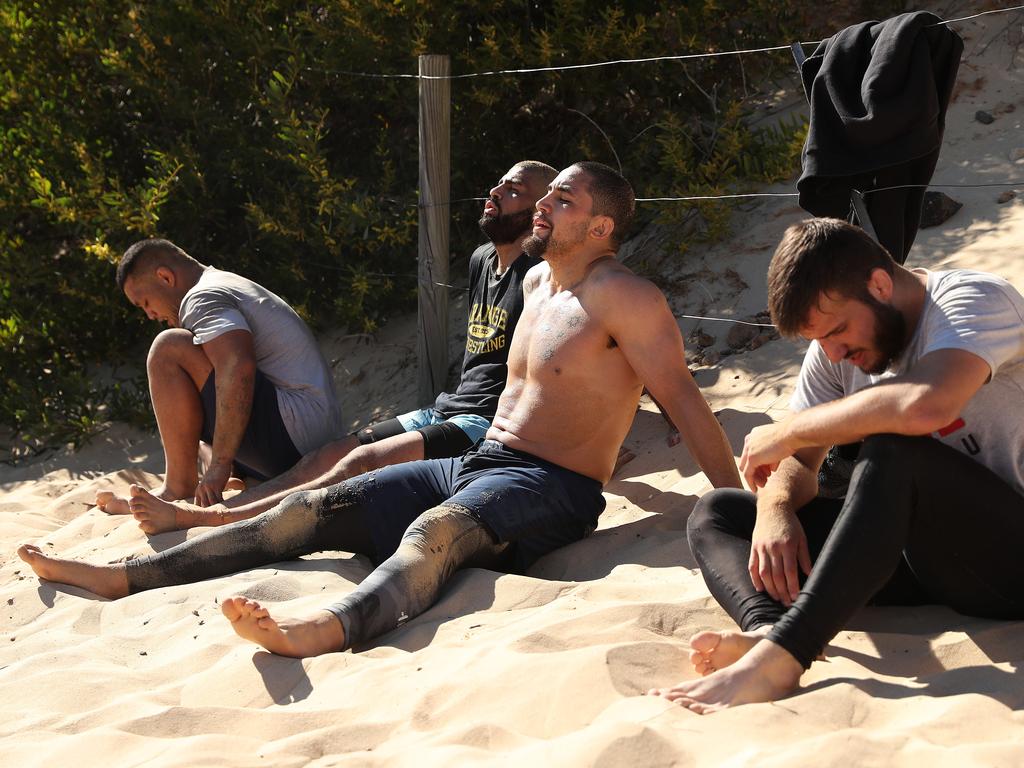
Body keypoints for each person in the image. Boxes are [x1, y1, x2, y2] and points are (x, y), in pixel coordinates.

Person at [19, 161, 742, 658]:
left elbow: (683, 400)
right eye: (547, 196)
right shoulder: (539, 287)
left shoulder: (627, 298)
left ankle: (320, 631)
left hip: (552, 487)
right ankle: (124, 578)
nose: (544, 206)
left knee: (436, 531)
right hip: (482, 460)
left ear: (601, 230)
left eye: (563, 202)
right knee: (316, 504)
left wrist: (738, 505)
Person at [649, 218, 1024, 712]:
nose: (833, 352)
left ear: (881, 284)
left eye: (838, 331)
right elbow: (799, 465)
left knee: (892, 452)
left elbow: (926, 406)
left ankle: (787, 655)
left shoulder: (971, 301)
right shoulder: (835, 352)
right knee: (720, 511)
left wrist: (786, 430)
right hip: (924, 559)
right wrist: (776, 507)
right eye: (819, 340)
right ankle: (765, 631)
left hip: (1010, 557)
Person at [109, 161, 557, 534]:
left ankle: (207, 512)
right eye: (499, 182)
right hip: (446, 407)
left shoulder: (541, 274)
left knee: (355, 465)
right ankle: (214, 495)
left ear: (541, 212)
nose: (496, 189)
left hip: (485, 423)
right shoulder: (482, 260)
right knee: (327, 457)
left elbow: (556, 363)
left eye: (513, 189)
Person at [98, 239, 341, 512]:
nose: (150, 314)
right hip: (314, 437)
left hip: (297, 440)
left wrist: (219, 466)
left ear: (165, 277)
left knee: (167, 348)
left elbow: (237, 367)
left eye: (145, 303)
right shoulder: (221, 281)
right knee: (195, 440)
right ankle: (237, 475)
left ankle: (178, 487)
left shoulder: (201, 296)